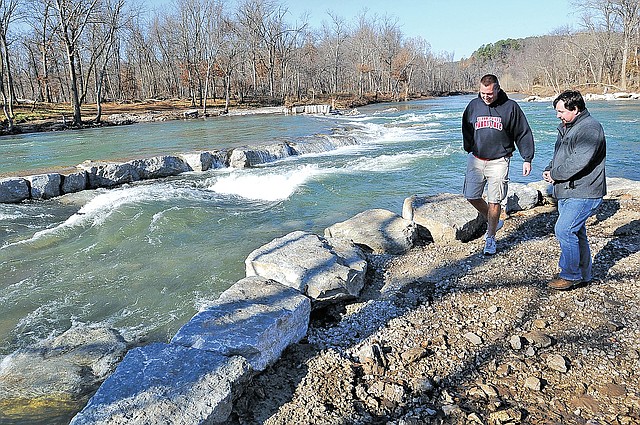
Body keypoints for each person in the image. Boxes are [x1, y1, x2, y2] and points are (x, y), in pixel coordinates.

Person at [462, 74, 535, 255]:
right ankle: (494, 220)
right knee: (471, 195)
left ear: (497, 89)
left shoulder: (510, 107)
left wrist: (527, 158)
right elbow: (466, 126)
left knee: (495, 200)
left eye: (489, 93)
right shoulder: (473, 105)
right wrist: (469, 147)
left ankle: (490, 238)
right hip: (477, 159)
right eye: (482, 93)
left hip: (499, 161)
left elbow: (523, 132)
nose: (486, 96)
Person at [543, 90, 606, 290]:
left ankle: (570, 275)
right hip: (570, 190)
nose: (558, 115)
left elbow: (579, 161)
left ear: (575, 109)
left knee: (564, 229)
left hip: (584, 191)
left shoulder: (590, 128)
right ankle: (583, 274)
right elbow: (562, 155)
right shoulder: (569, 127)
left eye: (561, 111)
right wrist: (549, 169)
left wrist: (555, 175)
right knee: (577, 233)